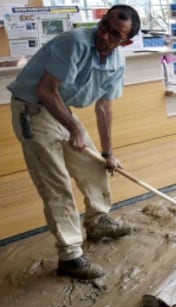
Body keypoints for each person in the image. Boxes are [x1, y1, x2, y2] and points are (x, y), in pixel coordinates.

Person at [7, 5, 141, 280]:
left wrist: (108, 153)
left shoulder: (117, 62)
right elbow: (45, 90)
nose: (104, 36)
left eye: (114, 34)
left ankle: (98, 220)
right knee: (57, 185)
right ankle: (70, 256)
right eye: (105, 26)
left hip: (59, 109)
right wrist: (73, 128)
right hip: (32, 110)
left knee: (95, 166)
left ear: (125, 42)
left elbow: (104, 108)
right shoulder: (74, 43)